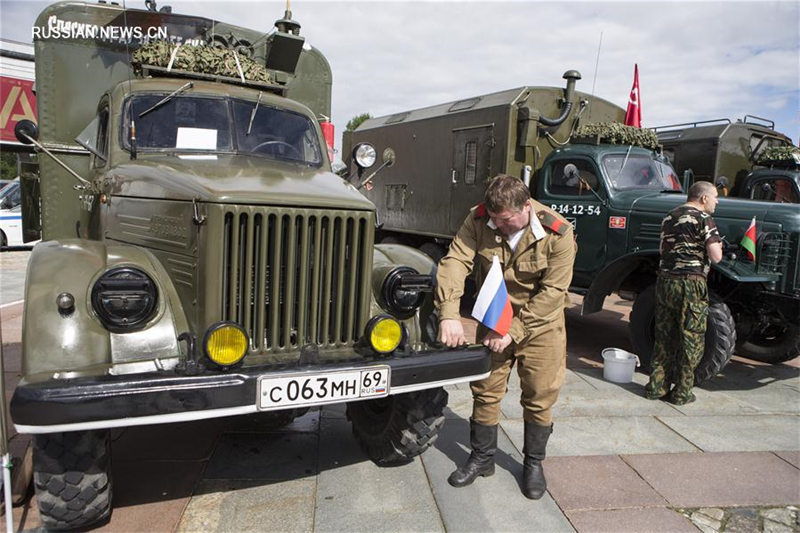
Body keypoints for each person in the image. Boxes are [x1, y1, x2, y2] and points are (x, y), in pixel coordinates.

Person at [435, 174, 576, 499]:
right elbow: (456, 260)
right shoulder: (480, 218)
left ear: (526, 207)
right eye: (494, 220)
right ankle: (482, 458)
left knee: (540, 395)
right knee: (485, 389)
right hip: (494, 316)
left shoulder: (559, 233)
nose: (498, 227)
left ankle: (533, 464)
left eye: (507, 220)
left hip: (540, 326)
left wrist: (512, 332)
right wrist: (449, 313)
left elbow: (554, 292)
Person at [645, 180, 722, 405]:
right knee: (692, 337)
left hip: (666, 282)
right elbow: (716, 256)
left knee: (664, 335)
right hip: (691, 283)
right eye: (715, 197)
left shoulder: (669, 216)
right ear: (704, 198)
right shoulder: (704, 219)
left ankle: (655, 388)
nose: (717, 202)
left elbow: (663, 250)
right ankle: (682, 393)